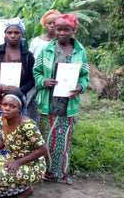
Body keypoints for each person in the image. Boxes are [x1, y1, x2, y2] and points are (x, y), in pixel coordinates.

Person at [33, 14, 89, 184]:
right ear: (54, 30)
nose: (62, 33)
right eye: (59, 29)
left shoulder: (80, 52)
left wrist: (80, 87)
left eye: (67, 29)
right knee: (45, 138)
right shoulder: (46, 49)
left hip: (68, 104)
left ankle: (60, 174)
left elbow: (84, 76)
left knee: (63, 140)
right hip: (47, 102)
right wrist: (43, 81)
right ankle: (42, 172)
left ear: (73, 30)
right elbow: (36, 72)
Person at [0, 90, 47, 198]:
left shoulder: (27, 125)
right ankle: (12, 188)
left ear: (20, 109)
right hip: (13, 157)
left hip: (31, 164)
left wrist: (18, 162)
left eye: (12, 106)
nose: (7, 108)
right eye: (5, 105)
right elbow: (3, 140)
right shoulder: (3, 118)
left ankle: (26, 188)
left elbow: (43, 149)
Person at [0, 18, 36, 155]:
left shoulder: (27, 56)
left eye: (16, 32)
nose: (12, 35)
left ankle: (9, 166)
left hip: (16, 105)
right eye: (9, 32)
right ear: (5, 33)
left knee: (13, 135)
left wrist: (20, 91)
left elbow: (31, 79)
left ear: (22, 34)